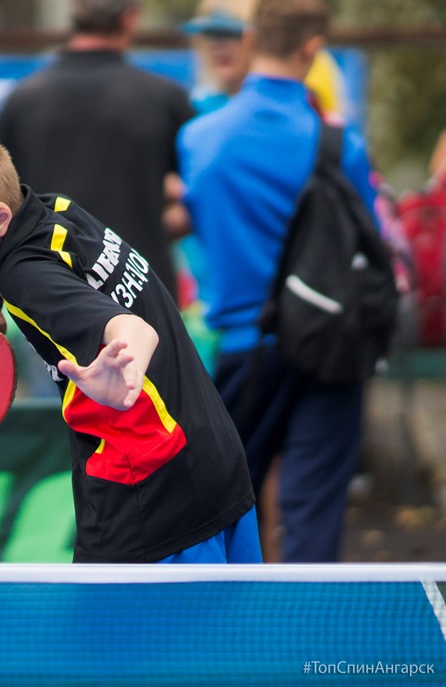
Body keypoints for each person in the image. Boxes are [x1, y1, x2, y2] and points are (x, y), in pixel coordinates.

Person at [0, 129, 259, 564]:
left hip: (151, 499)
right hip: (214, 460)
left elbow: (134, 329)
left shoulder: (26, 280)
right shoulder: (53, 211)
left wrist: (127, 370)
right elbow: (44, 257)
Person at [177, 0, 380, 563]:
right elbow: (370, 246)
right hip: (330, 347)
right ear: (311, 48)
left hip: (243, 349)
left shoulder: (198, 138)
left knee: (223, 507)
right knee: (313, 510)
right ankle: (310, 620)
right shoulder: (342, 144)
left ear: (251, 40)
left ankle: (220, 617)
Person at [0, 0, 194, 300]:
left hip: (51, 291)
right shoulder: (164, 99)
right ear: (129, 18)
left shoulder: (21, 100)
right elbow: (204, 192)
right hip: (139, 288)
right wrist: (155, 227)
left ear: (73, 13)